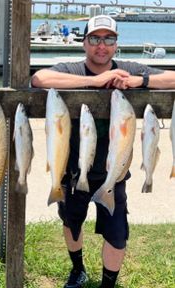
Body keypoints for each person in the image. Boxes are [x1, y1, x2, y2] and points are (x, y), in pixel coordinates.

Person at [31, 14, 175, 288]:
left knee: (117, 233)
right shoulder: (71, 69)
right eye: (95, 38)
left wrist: (138, 82)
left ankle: (108, 283)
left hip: (114, 172)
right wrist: (98, 82)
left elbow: (172, 78)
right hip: (74, 170)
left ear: (116, 44)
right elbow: (39, 78)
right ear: (84, 42)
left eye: (108, 39)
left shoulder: (129, 68)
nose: (101, 45)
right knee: (72, 222)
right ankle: (78, 270)